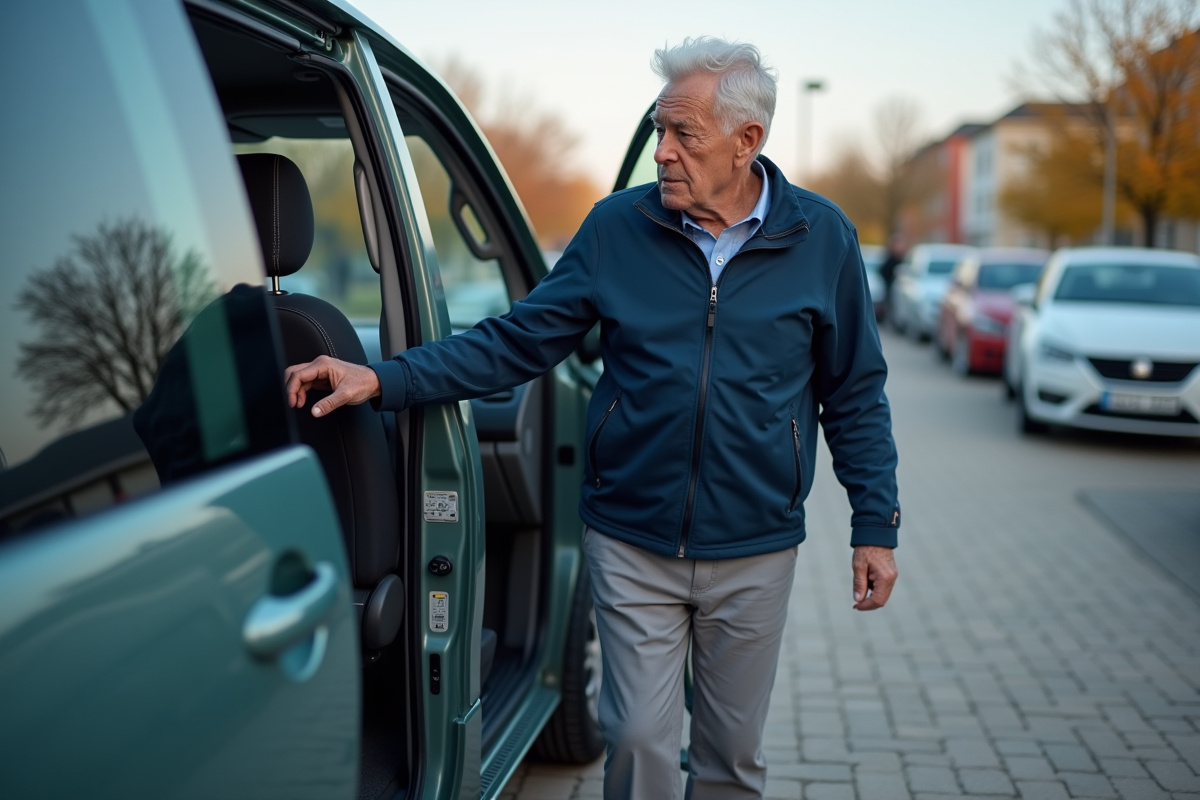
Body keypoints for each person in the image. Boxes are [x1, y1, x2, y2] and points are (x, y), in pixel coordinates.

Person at [284, 37, 900, 800]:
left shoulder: (822, 238)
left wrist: (875, 524)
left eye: (684, 135)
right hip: (632, 540)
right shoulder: (616, 230)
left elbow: (854, 393)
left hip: (755, 548)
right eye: (658, 131)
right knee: (638, 741)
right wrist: (382, 376)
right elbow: (515, 343)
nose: (663, 153)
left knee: (731, 759)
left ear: (748, 142)